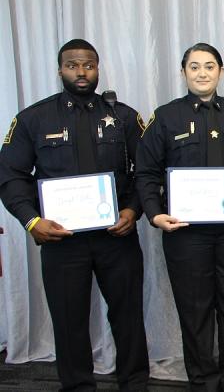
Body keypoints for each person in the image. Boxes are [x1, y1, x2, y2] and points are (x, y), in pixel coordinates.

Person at [0, 39, 150, 391]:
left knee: (128, 316)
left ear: (98, 69)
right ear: (60, 70)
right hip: (61, 241)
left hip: (117, 237)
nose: (81, 72)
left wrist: (133, 209)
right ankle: (78, 386)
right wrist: (32, 221)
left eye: (88, 65)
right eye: (72, 65)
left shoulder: (124, 117)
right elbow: (10, 175)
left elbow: (145, 171)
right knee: (69, 322)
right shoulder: (33, 119)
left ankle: (135, 383)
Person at [136, 43, 224, 391]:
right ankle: (202, 382)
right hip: (185, 233)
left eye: (209, 66)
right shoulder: (165, 117)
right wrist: (155, 214)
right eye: (194, 67)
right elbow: (145, 172)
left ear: (221, 71)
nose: (202, 73)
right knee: (195, 310)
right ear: (183, 72)